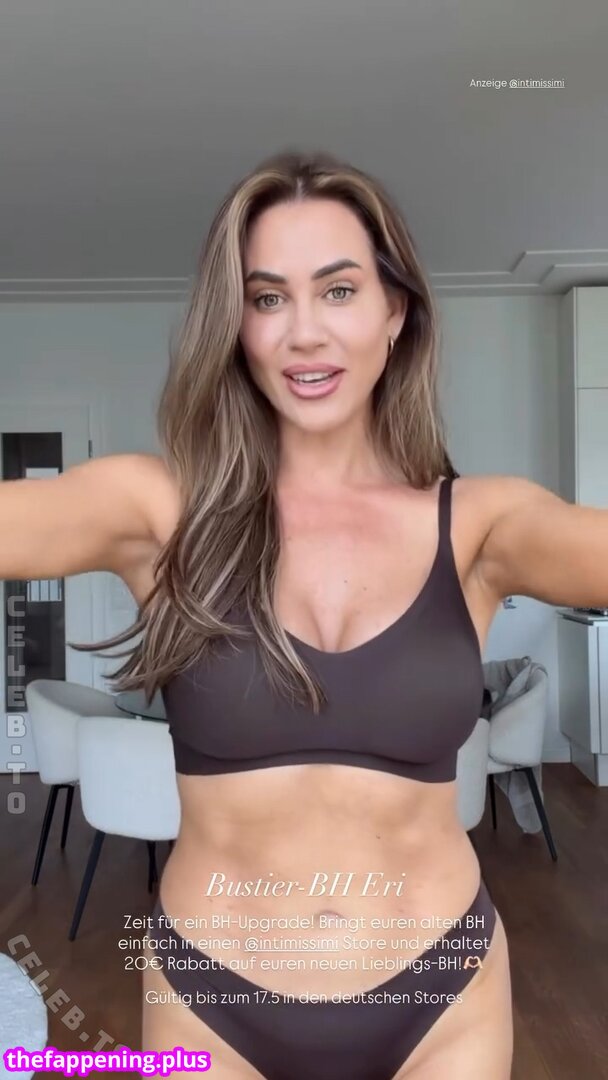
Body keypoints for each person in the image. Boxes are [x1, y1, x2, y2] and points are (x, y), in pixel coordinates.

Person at [3, 148, 526, 1079]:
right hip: (214, 1002)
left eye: (339, 290)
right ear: (236, 326)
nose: (303, 333)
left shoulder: (481, 525)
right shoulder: (159, 510)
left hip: (442, 998)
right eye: (268, 298)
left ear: (396, 313)